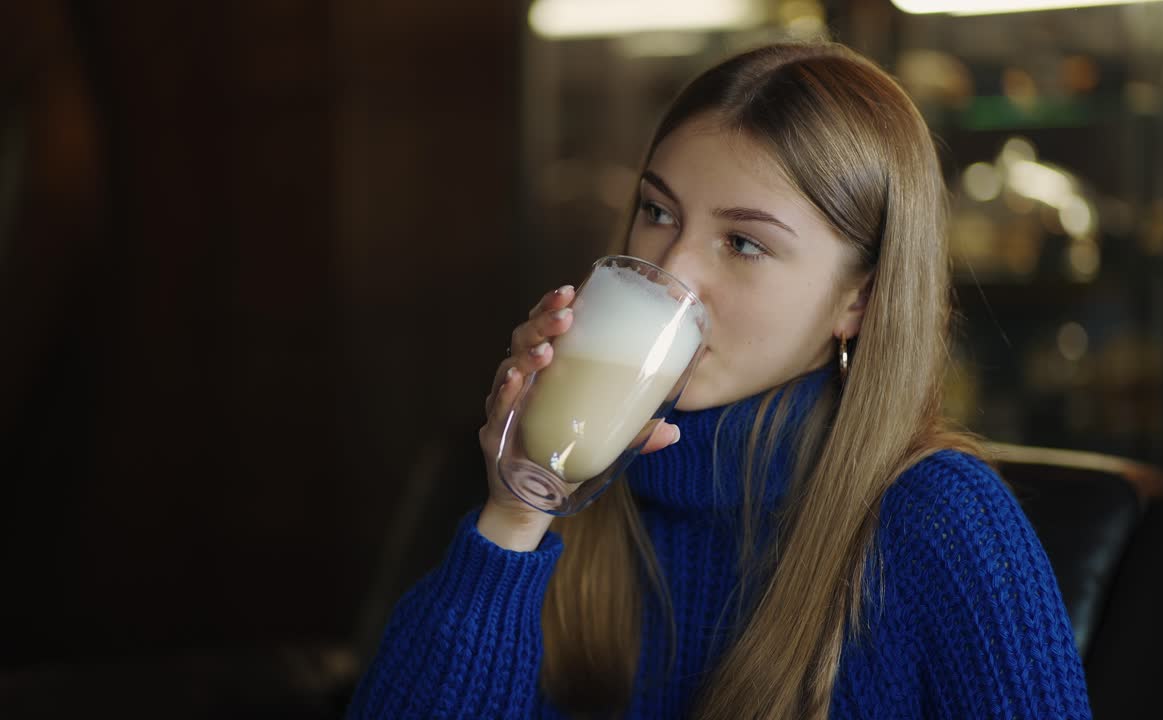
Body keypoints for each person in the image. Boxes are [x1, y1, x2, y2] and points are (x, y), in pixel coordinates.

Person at [347, 41, 1092, 719]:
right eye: (657, 211)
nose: (673, 273)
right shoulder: (577, 493)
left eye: (742, 242)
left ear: (858, 299)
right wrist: (517, 509)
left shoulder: (941, 522)